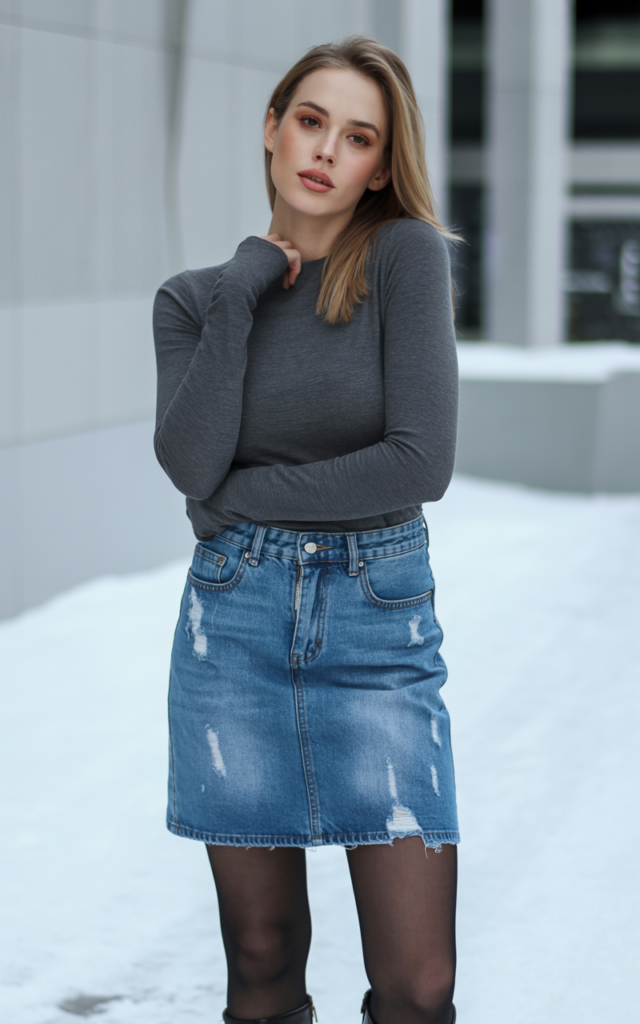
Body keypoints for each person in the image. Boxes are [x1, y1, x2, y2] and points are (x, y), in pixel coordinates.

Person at [153, 36, 459, 1024]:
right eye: (311, 120)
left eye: (358, 135)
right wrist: (244, 288)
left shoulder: (403, 256)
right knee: (261, 958)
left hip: (378, 620)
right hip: (232, 628)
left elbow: (419, 464)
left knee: (418, 983)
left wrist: (243, 497)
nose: (327, 149)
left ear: (380, 164)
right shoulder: (195, 301)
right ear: (273, 130)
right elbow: (189, 465)